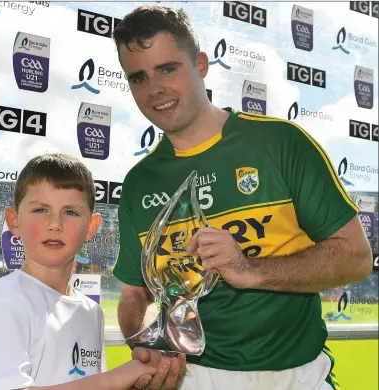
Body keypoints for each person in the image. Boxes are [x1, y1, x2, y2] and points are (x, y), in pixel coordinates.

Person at [111, 6, 373, 390]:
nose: (155, 90)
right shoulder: (139, 183)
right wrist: (149, 344)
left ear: (201, 64)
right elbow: (136, 295)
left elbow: (356, 258)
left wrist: (249, 269)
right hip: (196, 379)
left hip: (299, 378)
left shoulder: (281, 143)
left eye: (167, 69)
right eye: (138, 77)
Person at [0, 153, 161, 390]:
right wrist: (113, 380)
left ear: (91, 227)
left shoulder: (91, 312)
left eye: (70, 212)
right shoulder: (7, 298)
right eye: (40, 210)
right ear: (14, 221)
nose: (55, 224)